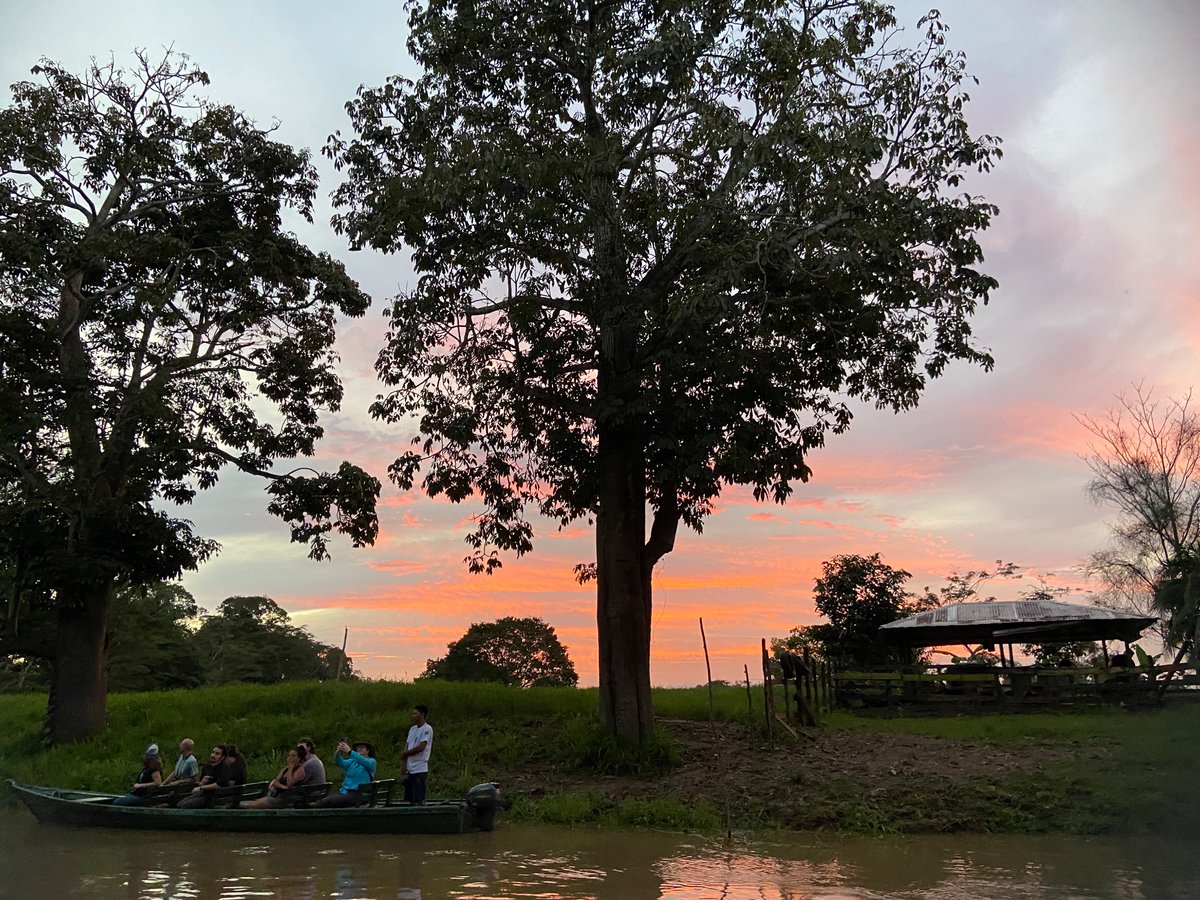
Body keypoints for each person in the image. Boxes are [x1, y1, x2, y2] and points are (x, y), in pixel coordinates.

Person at [240, 745, 310, 809]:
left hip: (287, 799)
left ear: (298, 758)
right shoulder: (285, 769)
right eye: (289, 756)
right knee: (251, 802)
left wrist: (291, 768)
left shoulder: (300, 770)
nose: (290, 758)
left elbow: (289, 783)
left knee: (253, 805)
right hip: (277, 795)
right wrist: (283, 787)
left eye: (293, 756)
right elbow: (276, 781)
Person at [318, 739, 377, 807]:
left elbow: (363, 761)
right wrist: (338, 752)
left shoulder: (371, 761)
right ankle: (313, 806)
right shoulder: (352, 761)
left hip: (360, 794)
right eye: (357, 748)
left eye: (362, 747)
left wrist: (350, 752)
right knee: (326, 800)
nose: (359, 749)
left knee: (335, 800)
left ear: (368, 750)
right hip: (345, 791)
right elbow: (340, 763)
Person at [400, 704, 433, 805]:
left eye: (415, 714)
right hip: (410, 768)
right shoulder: (412, 729)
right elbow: (407, 745)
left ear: (422, 715)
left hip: (420, 768)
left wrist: (406, 753)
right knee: (409, 798)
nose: (413, 716)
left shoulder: (427, 729)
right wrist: (403, 763)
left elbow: (421, 747)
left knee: (418, 797)